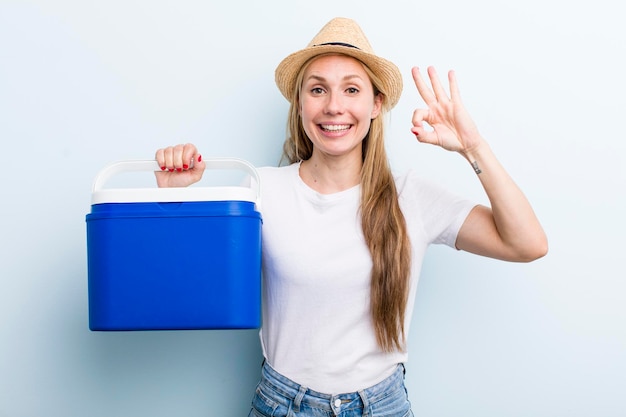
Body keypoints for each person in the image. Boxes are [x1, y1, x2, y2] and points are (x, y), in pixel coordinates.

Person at [155, 17, 547, 417]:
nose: (334, 106)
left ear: (376, 104)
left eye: (352, 89)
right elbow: (185, 283)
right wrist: (172, 201)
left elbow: (527, 243)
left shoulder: (411, 196)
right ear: (301, 103)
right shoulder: (261, 191)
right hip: (282, 404)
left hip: (383, 406)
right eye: (318, 89)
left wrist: (472, 146)